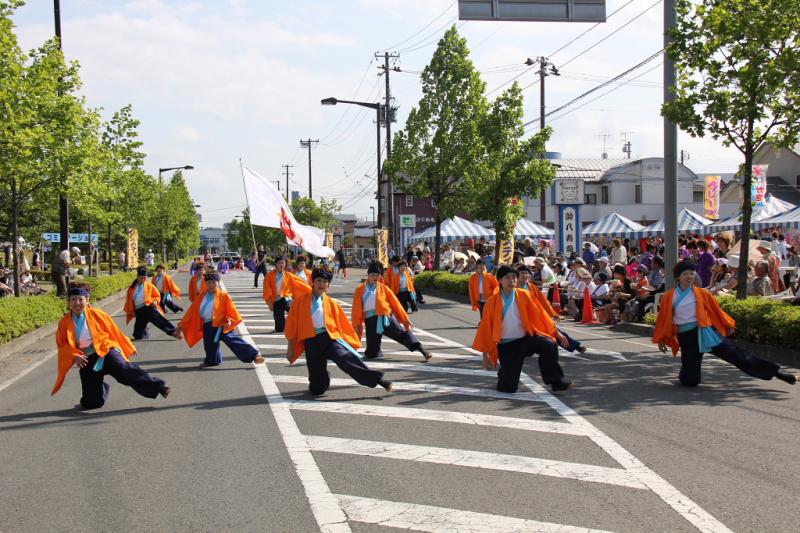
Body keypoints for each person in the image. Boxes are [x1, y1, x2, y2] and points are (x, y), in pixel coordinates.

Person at [653, 260, 797, 387]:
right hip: (687, 337)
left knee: (737, 354)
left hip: (706, 332)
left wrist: (727, 326)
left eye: (692, 273)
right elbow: (663, 319)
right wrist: (661, 339)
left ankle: (776, 371)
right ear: (678, 277)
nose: (689, 277)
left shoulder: (702, 294)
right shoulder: (669, 296)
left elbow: (716, 312)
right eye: (685, 274)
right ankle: (686, 373)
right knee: (690, 381)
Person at [53, 282, 171, 409]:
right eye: (73, 299)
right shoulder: (64, 323)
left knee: (124, 369)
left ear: (87, 300)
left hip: (106, 351)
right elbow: (62, 344)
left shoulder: (97, 314)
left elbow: (114, 331)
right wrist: (75, 355)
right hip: (87, 358)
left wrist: (127, 345)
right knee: (91, 403)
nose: (77, 303)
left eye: (80, 299)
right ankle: (101, 387)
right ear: (68, 303)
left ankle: (159, 386)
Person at [285, 268, 393, 395]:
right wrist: (290, 348)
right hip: (311, 341)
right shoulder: (299, 302)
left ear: (328, 286)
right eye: (318, 280)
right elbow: (291, 326)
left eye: (325, 282)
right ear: (312, 282)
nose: (321, 284)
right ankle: (325, 377)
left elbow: (343, 325)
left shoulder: (332, 303)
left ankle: (378, 379)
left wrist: (353, 339)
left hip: (330, 338)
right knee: (317, 389)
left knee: (347, 359)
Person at [472, 265, 573, 393]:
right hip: (507, 345)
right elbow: (485, 328)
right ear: (499, 281)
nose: (511, 280)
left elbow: (541, 315)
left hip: (526, 339)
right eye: (507, 277)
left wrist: (556, 333)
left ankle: (555, 381)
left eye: (514, 277)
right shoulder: (492, 302)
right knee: (508, 388)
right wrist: (485, 357)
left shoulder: (525, 295)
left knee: (548, 344)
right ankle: (504, 374)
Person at [176, 271, 266, 367]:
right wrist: (180, 327)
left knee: (233, 340)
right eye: (209, 282)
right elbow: (191, 312)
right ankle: (212, 361)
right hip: (207, 325)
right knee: (209, 346)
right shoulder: (201, 297)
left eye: (213, 282)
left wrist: (229, 319)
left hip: (221, 325)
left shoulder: (224, 296)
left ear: (218, 283)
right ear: (205, 283)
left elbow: (231, 310)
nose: (211, 285)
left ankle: (254, 356)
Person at [352, 262, 432, 361]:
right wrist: (356, 324)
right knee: (371, 353)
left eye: (377, 275)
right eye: (372, 274)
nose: (375, 277)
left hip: (385, 319)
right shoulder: (360, 289)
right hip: (370, 321)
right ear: (368, 275)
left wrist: (405, 320)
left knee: (403, 334)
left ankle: (423, 351)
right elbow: (356, 308)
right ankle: (376, 352)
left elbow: (396, 305)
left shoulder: (384, 288)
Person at [518, 265, 586, 354]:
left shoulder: (532, 287)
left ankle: (576, 346)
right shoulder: (512, 288)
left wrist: (553, 314)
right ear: (517, 275)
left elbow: (544, 302)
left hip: (535, 316)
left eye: (527, 273)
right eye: (522, 273)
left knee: (553, 330)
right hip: (519, 317)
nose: (525, 275)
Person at [124, 267, 181, 341]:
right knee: (137, 335)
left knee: (159, 321)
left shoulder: (149, 286)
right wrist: (132, 311)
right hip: (139, 310)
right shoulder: (131, 288)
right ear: (137, 277)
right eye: (141, 278)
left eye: (144, 278)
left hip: (148, 307)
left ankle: (173, 331)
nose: (143, 280)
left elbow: (157, 295)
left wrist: (155, 301)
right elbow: (129, 300)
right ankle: (145, 332)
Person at [262, 255, 306, 333]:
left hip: (287, 298)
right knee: (280, 328)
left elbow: (300, 284)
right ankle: (283, 326)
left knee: (293, 310)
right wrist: (269, 304)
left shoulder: (289, 275)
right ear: (275, 264)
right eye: (279, 263)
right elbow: (266, 291)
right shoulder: (269, 276)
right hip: (276, 300)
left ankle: (300, 326)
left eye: (283, 263)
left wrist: (313, 290)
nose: (281, 265)